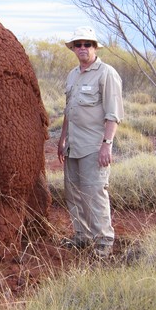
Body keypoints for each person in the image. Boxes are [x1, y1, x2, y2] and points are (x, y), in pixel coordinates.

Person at [57, 26, 124, 258]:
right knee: (73, 193)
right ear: (73, 48)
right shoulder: (73, 74)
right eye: (78, 44)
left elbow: (113, 113)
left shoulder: (106, 73)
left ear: (95, 47)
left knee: (94, 192)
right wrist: (62, 138)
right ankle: (82, 236)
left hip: (94, 146)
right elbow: (69, 110)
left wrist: (107, 143)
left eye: (87, 44)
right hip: (73, 145)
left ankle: (104, 241)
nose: (83, 48)